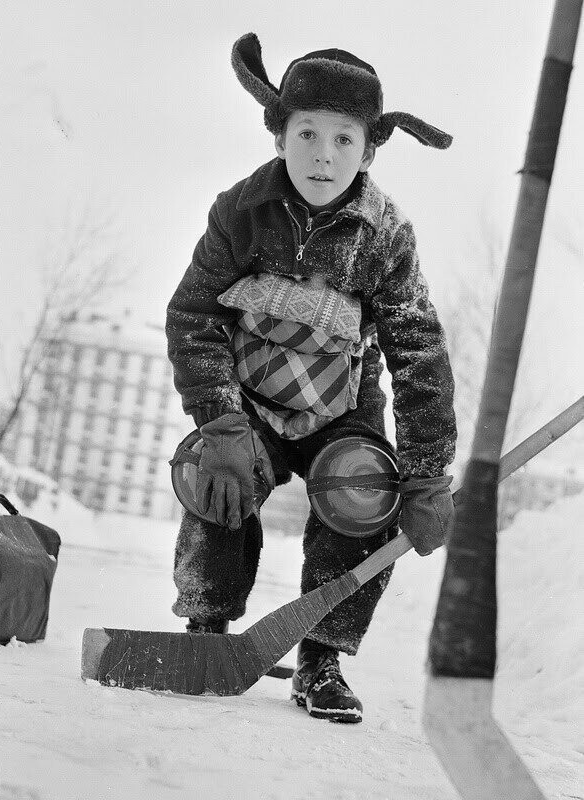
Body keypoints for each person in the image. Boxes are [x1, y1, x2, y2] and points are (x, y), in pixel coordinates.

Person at [165, 33, 457, 724]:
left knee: (364, 496)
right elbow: (193, 313)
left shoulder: (384, 234)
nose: (322, 154)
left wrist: (423, 474)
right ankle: (206, 629)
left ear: (368, 150)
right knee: (215, 478)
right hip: (252, 404)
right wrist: (220, 420)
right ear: (279, 137)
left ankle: (320, 658)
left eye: (343, 140)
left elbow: (416, 350)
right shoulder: (239, 212)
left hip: (340, 408)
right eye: (306, 134)